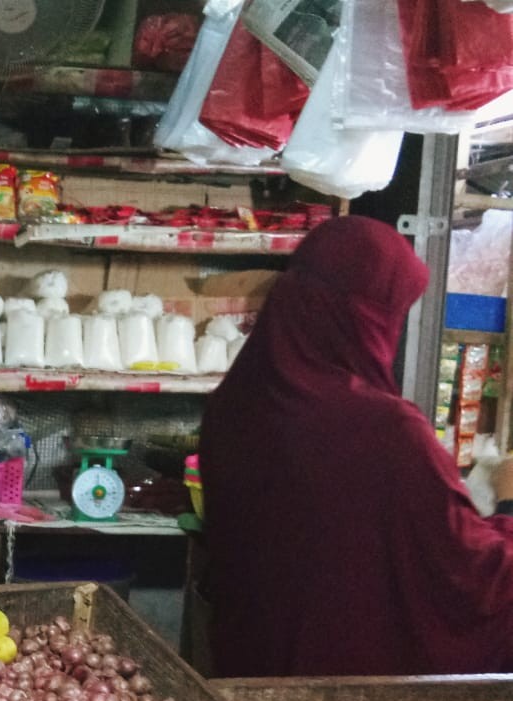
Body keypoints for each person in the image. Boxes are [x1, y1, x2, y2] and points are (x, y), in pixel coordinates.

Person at [199, 214, 513, 677]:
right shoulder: (386, 431)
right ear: (364, 318)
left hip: (248, 679)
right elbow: (469, 580)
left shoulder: (233, 407)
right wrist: (508, 503)